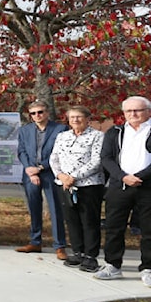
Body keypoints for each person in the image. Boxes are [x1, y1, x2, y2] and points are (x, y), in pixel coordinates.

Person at [94, 96, 151, 284]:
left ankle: (148, 268)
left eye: (138, 110)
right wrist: (122, 176)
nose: (133, 114)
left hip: (147, 187)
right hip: (120, 186)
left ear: (148, 112)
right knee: (113, 227)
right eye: (129, 111)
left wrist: (140, 176)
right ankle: (113, 265)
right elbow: (106, 158)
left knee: (148, 229)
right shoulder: (115, 132)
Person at [49, 106, 104, 273]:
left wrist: (73, 176)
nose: (75, 120)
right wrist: (61, 176)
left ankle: (90, 256)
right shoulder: (62, 136)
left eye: (79, 117)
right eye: (72, 117)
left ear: (88, 119)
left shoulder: (97, 136)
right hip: (65, 185)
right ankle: (78, 252)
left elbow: (96, 161)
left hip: (88, 185)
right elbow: (54, 158)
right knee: (72, 220)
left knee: (89, 221)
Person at [16, 101, 68, 259]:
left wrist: (40, 168)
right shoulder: (24, 130)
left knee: (55, 210)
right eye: (33, 113)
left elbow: (60, 153)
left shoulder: (60, 129)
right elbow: (22, 151)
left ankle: (59, 246)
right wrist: (30, 171)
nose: (37, 115)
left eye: (40, 112)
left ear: (47, 113)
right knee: (34, 208)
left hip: (51, 173)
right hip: (30, 174)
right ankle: (35, 241)